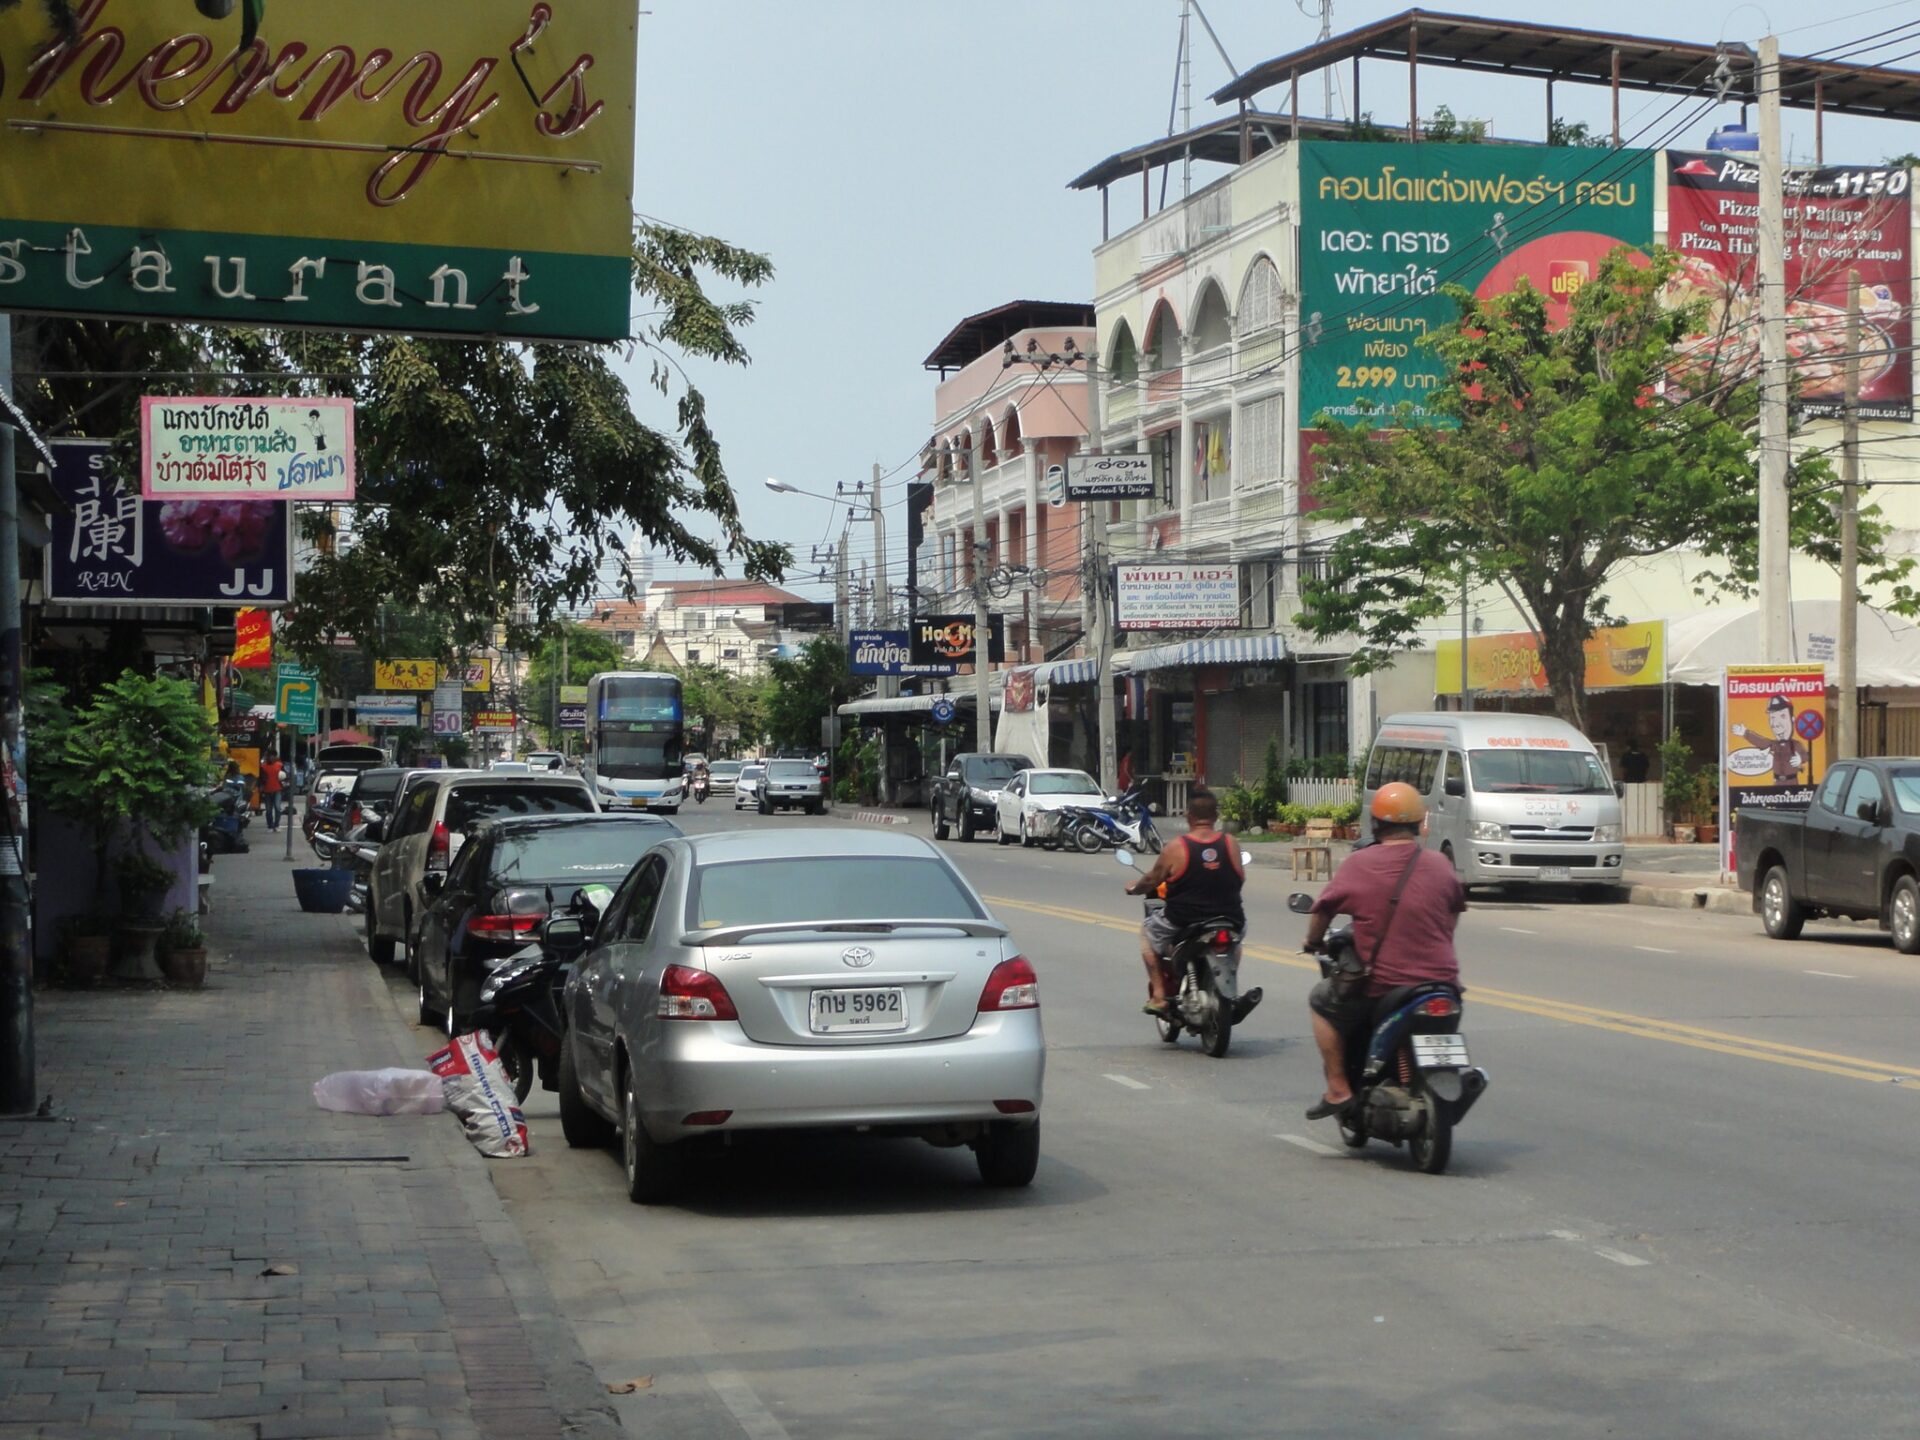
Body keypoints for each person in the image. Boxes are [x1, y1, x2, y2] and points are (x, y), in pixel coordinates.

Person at [1300, 781, 1465, 1120]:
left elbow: (1322, 910)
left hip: (1385, 987)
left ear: (1375, 824)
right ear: (1420, 825)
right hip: (1445, 986)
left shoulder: (1360, 863)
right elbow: (1452, 915)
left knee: (1320, 1000)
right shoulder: (1440, 865)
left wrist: (1313, 942)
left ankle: (1337, 1088)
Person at [1121, 788, 1260, 1018]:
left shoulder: (1177, 847)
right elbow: (1240, 879)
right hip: (1231, 918)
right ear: (1215, 817)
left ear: (1189, 816)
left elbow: (1152, 879)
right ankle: (1229, 984)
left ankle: (1158, 994)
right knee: (1235, 944)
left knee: (1146, 934)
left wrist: (1135, 889)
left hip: (1184, 919)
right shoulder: (1231, 844)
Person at [259, 753, 286, 832]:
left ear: (274, 757)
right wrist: (261, 786)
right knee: (268, 810)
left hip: (277, 789)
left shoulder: (279, 765)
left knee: (277, 808)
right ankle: (270, 826)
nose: (270, 758)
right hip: (267, 790)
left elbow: (285, 776)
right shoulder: (263, 767)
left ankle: (276, 825)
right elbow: (261, 778)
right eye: (269, 756)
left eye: (272, 756)